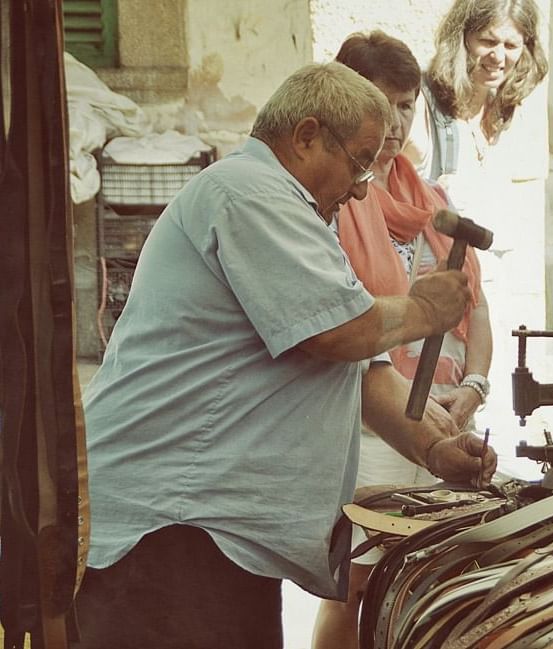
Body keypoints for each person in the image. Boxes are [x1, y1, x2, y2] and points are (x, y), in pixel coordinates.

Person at [75, 62, 497, 649]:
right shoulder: (249, 193)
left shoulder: (299, 218)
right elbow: (341, 334)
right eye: (359, 163)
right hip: (172, 526)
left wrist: (435, 447)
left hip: (215, 536)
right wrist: (424, 310)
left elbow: (361, 370)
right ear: (306, 136)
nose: (361, 188)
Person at [311, 31, 493, 649]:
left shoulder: (433, 201)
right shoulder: (332, 203)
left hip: (445, 414)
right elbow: (342, 325)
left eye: (406, 105)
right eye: (380, 104)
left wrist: (474, 385)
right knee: (355, 583)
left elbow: (475, 307)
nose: (394, 122)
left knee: (434, 579)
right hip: (368, 422)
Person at [406, 0, 550, 449]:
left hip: (490, 313)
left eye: (512, 44)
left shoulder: (501, 110)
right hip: (437, 320)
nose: (499, 56)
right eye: (487, 41)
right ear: (461, 38)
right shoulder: (426, 112)